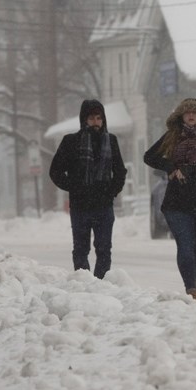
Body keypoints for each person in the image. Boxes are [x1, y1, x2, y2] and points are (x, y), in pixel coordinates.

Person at [143, 98, 196, 300]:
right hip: (177, 203)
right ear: (180, 116)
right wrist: (171, 167)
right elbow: (149, 156)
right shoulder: (171, 137)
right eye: (186, 112)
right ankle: (191, 289)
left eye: (194, 112)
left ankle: (193, 278)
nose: (190, 115)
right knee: (186, 248)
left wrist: (192, 169)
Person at [49, 99, 127, 278]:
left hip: (104, 205)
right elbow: (55, 171)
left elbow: (120, 171)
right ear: (84, 120)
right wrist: (74, 187)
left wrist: (111, 191)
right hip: (80, 205)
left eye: (99, 118)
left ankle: (101, 284)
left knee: (104, 249)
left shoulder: (111, 141)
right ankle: (83, 283)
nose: (96, 122)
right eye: (92, 118)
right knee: (80, 249)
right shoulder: (71, 142)